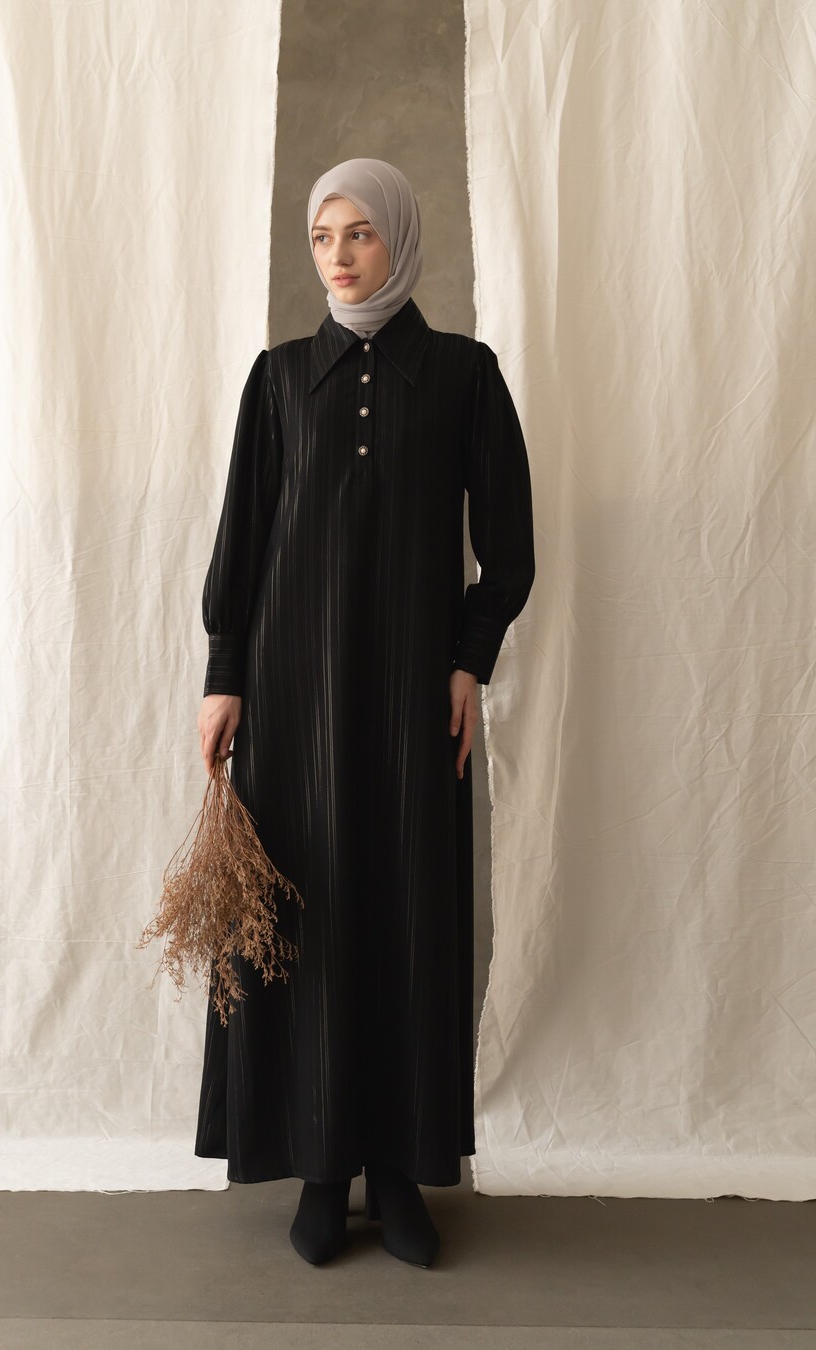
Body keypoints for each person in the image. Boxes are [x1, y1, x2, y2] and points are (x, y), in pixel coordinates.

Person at [194, 157, 535, 1268]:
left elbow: (509, 550)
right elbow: (244, 538)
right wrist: (225, 675)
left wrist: (467, 662)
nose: (338, 256)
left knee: (406, 916)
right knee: (309, 917)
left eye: (360, 234)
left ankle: (397, 1169)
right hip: (292, 704)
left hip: (409, 703)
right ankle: (319, 1164)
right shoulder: (280, 379)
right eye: (321, 237)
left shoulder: (463, 376)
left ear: (399, 238)